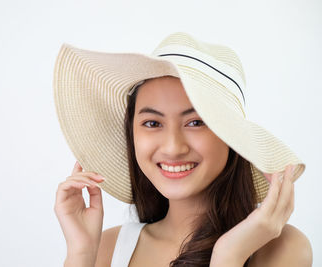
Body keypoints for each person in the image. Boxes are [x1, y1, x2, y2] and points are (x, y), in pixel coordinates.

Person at [52, 32, 313, 267]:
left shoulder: (282, 249)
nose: (173, 147)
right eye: (152, 123)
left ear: (232, 137)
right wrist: (81, 253)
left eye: (196, 122)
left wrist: (229, 255)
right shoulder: (106, 248)